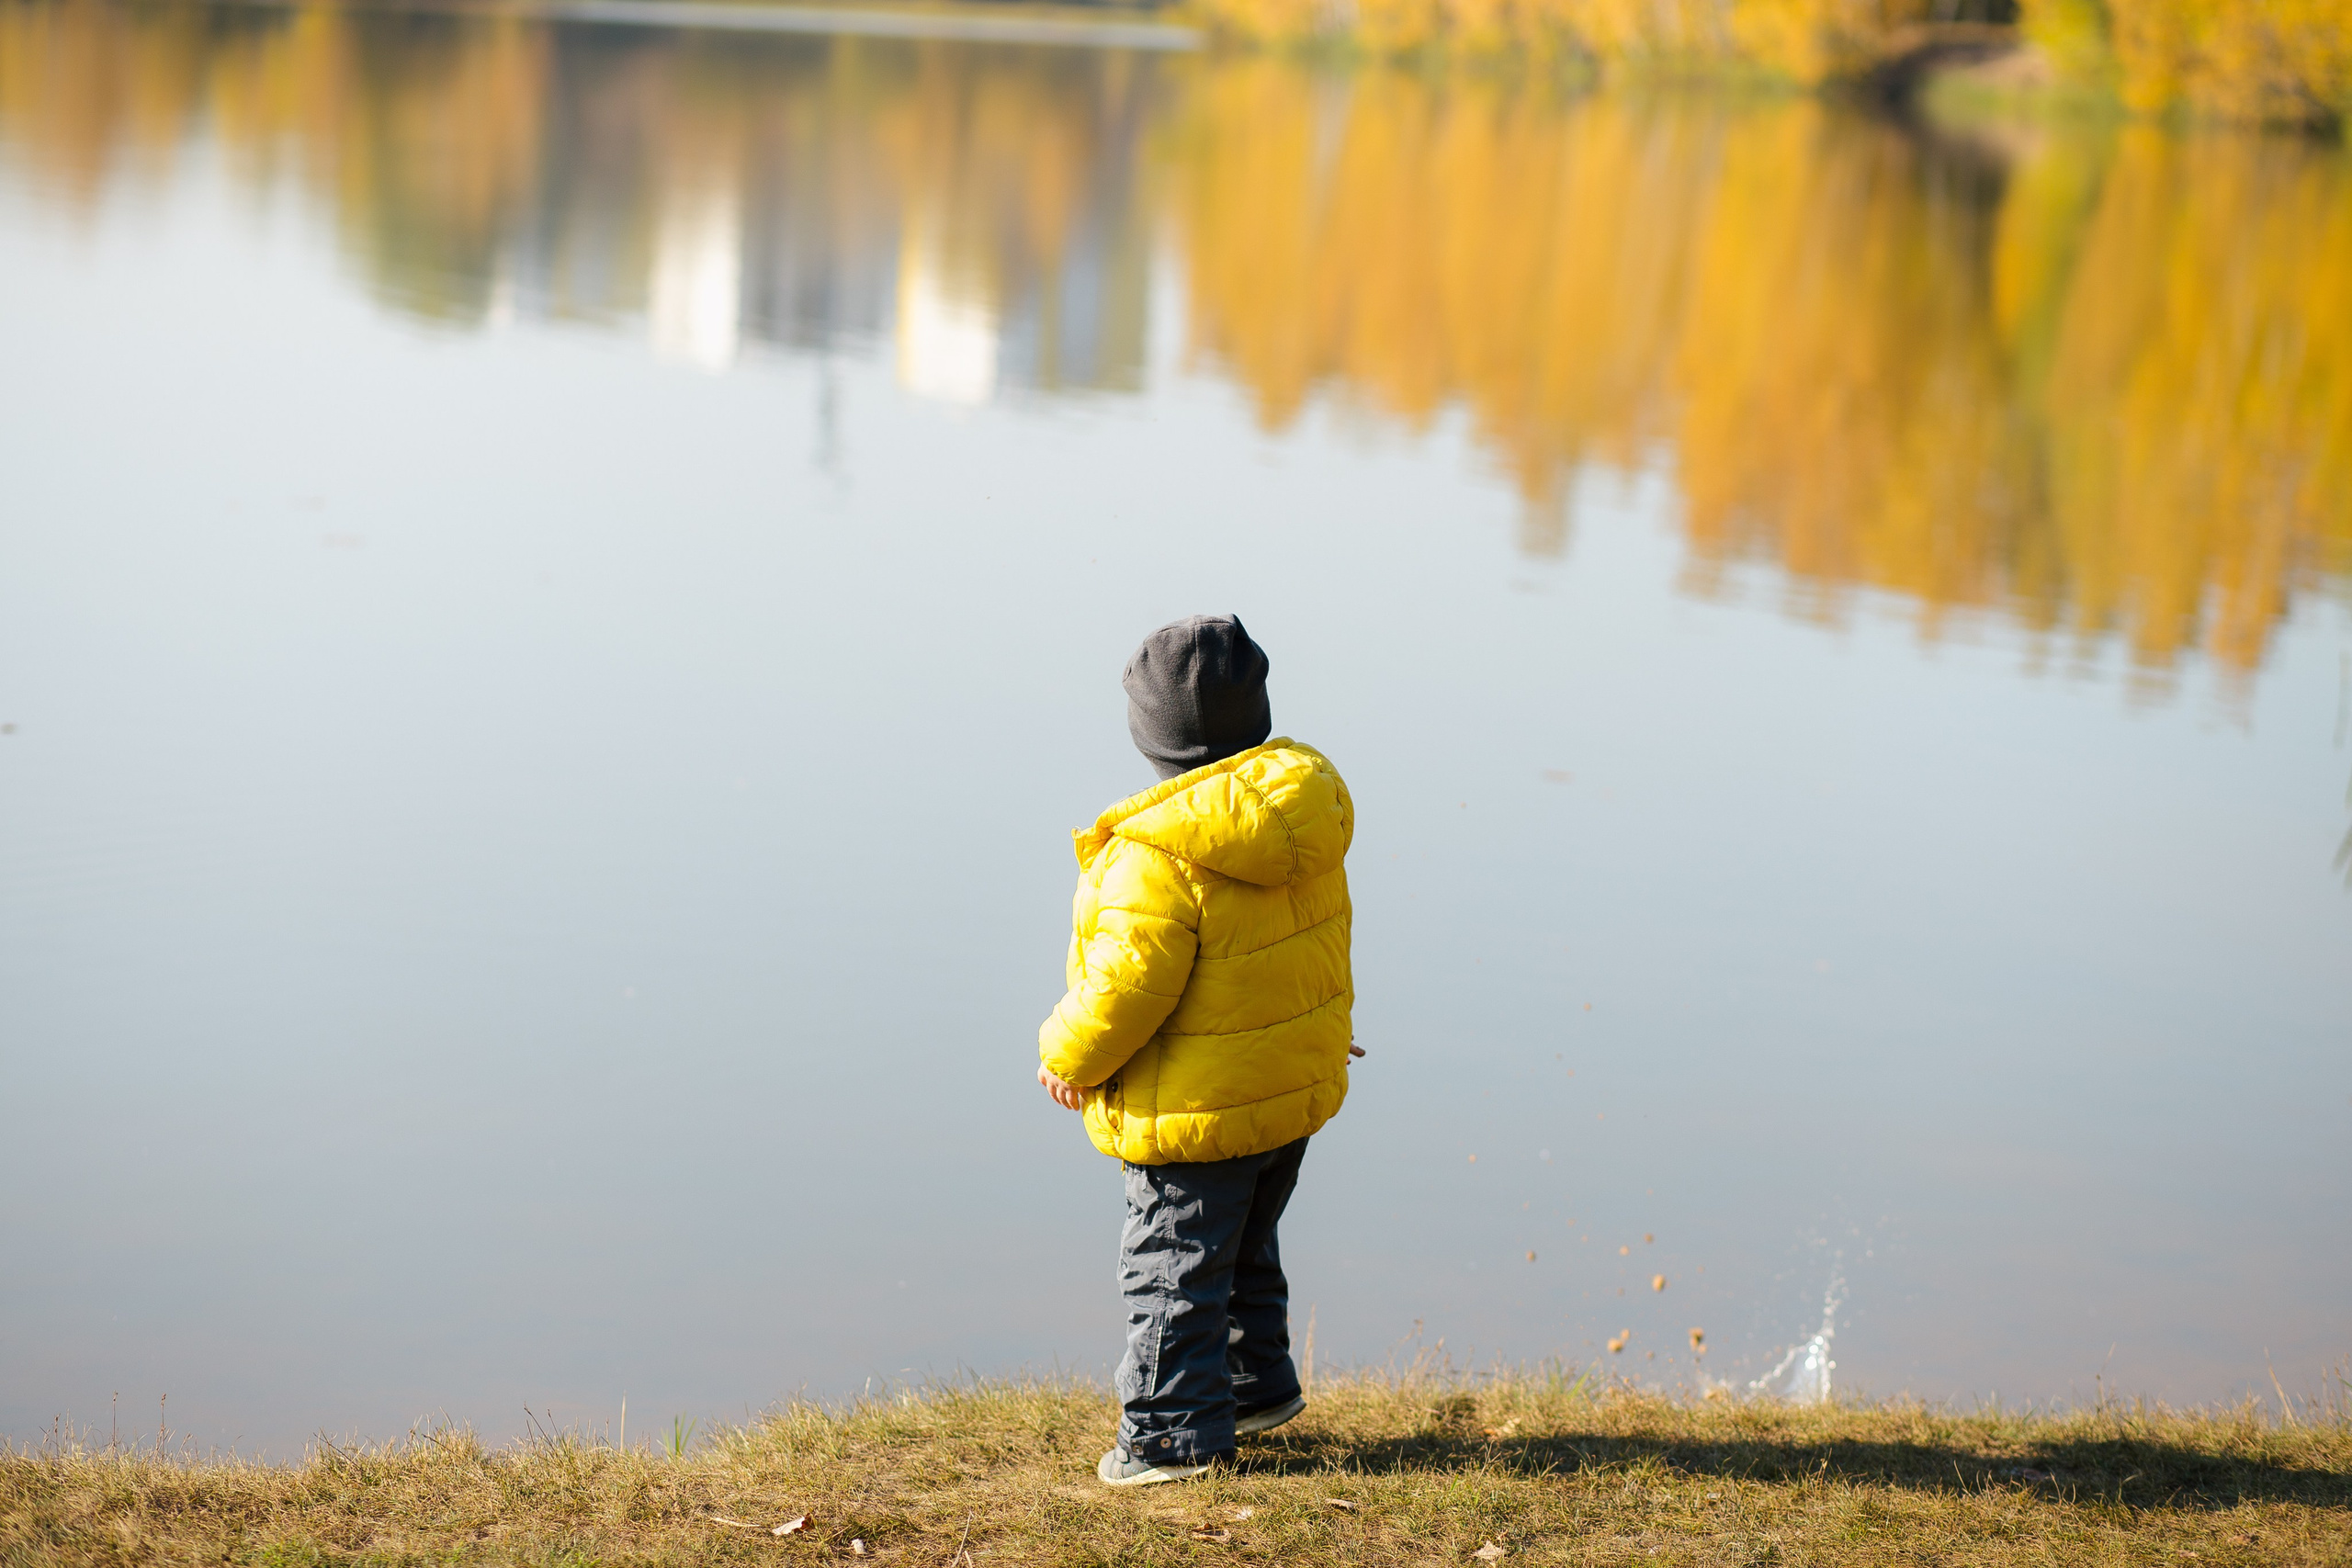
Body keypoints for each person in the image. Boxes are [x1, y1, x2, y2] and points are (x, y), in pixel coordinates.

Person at [1035, 615, 1361, 1487]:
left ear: (1149, 737)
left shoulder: (1155, 857)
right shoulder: (1304, 820)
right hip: (1286, 1090)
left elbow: (1122, 992)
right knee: (1245, 1240)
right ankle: (1254, 1384)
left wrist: (1066, 1055)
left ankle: (1171, 1435)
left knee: (1171, 1264)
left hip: (1196, 1109)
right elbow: (1310, 948)